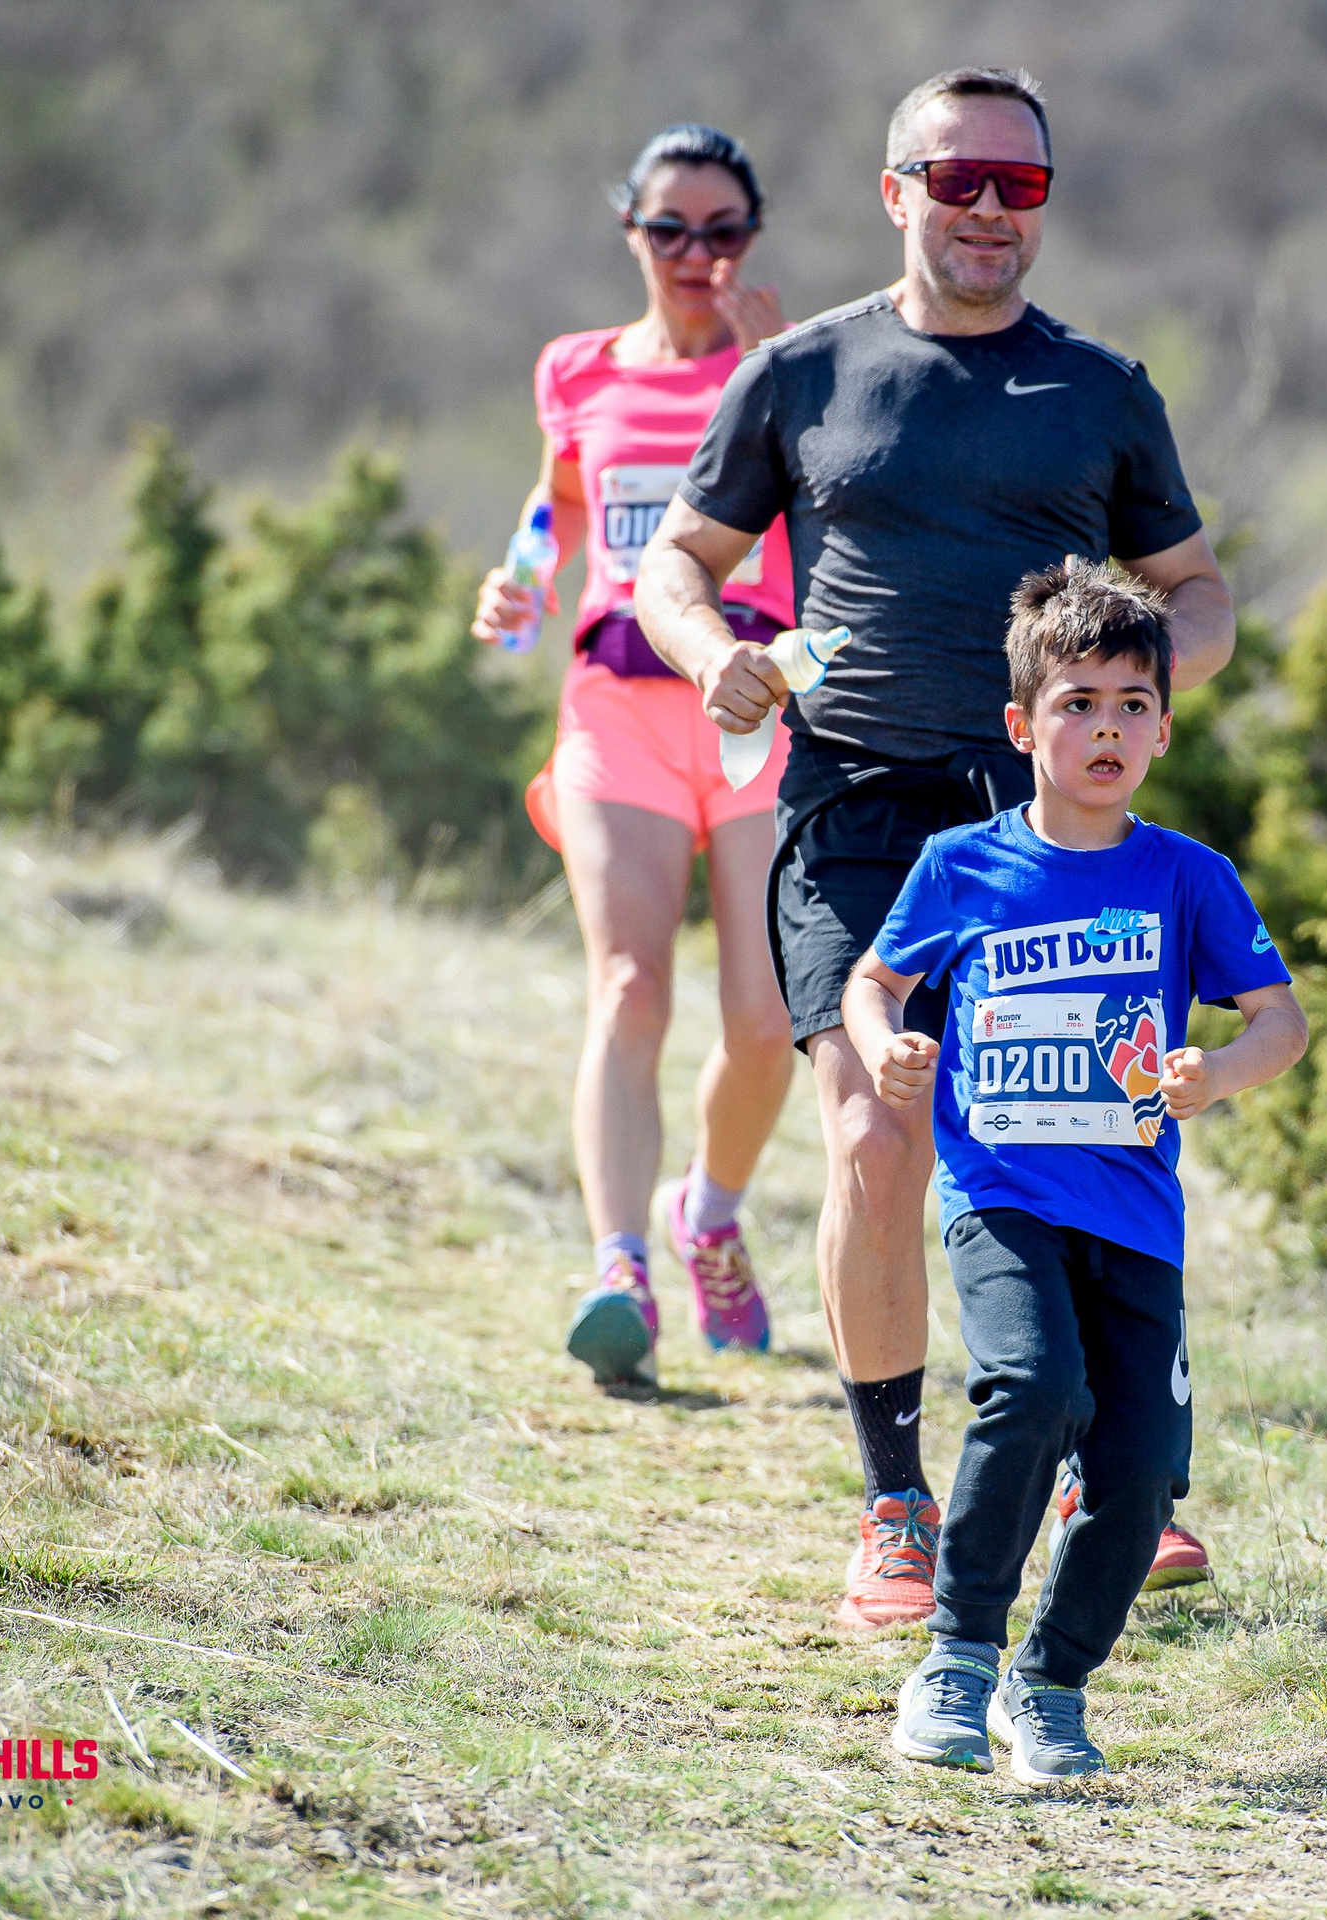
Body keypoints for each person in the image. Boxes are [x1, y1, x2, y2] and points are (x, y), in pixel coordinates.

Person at [636, 68, 1237, 1627]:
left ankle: (1117, 1472)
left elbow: (1198, 587)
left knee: (1080, 1133)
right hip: (853, 808)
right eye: (955, 179)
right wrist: (716, 657)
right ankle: (896, 1502)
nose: (987, 209)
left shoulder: (1100, 389)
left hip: (1041, 819)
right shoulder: (798, 371)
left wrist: (1145, 674)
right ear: (895, 189)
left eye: (1018, 186)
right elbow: (674, 568)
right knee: (872, 1138)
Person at [846, 560, 1307, 1781]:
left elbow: (1282, 1022)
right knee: (1030, 1387)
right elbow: (875, 978)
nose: (1105, 726)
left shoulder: (1186, 876)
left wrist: (1222, 1069)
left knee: (1142, 1462)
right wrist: (881, 1040)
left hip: (1135, 1216)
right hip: (1000, 1193)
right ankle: (954, 1660)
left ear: (1162, 724)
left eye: (1130, 704)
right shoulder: (959, 865)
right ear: (1022, 725)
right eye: (1076, 702)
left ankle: (1047, 1687)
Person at [471, 124, 796, 1387]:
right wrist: (520, 584)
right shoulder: (574, 368)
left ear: (750, 240)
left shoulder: (784, 363)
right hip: (615, 701)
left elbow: (834, 504)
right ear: (632, 233)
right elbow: (557, 503)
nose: (697, 256)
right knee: (628, 987)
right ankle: (618, 1269)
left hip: (755, 701)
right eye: (672, 230)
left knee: (767, 1021)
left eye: (722, 232)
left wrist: (778, 369)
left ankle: (705, 1214)